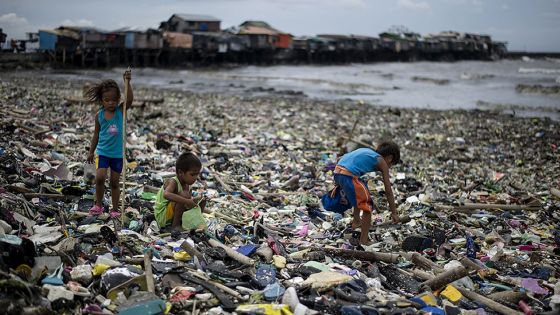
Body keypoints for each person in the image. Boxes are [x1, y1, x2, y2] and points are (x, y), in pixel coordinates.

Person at [321, 141, 401, 245]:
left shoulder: (367, 152)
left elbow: (341, 159)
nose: (389, 167)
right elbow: (388, 190)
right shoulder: (382, 162)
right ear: (390, 158)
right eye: (391, 164)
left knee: (361, 192)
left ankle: (356, 221)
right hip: (349, 175)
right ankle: (364, 240)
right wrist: (394, 212)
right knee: (367, 206)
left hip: (338, 172)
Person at [86, 69, 133, 218]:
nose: (111, 103)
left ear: (118, 98)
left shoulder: (121, 111)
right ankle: (98, 205)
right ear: (102, 100)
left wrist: (128, 82)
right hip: (103, 152)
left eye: (114, 99)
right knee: (100, 177)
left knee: (114, 182)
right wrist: (91, 151)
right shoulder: (99, 115)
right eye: (107, 100)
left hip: (117, 154)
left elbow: (130, 100)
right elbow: (96, 134)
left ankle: (114, 209)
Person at [154, 152, 209, 232]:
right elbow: (166, 194)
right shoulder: (173, 182)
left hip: (173, 213)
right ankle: (175, 226)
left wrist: (197, 199)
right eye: (192, 174)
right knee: (183, 196)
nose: (195, 178)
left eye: (197, 174)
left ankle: (196, 220)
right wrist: (187, 201)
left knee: (202, 200)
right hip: (163, 216)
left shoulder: (188, 184)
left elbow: (187, 203)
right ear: (180, 173)